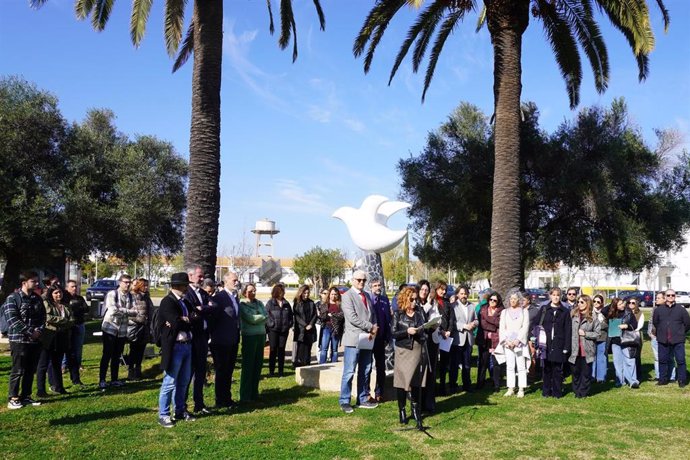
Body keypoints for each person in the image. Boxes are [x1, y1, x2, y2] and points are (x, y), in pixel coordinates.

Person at [157, 272, 195, 428]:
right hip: (175, 347)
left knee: (184, 381)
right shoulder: (168, 302)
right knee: (170, 381)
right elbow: (176, 323)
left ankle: (179, 410)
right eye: (185, 285)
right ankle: (163, 414)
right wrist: (183, 320)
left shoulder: (185, 301)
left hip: (187, 344)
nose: (187, 287)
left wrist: (186, 319)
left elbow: (195, 317)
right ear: (177, 286)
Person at [339, 270, 379, 414]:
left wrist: (374, 327)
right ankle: (344, 400)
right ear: (352, 280)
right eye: (358, 280)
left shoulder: (367, 295)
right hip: (353, 339)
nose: (361, 282)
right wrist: (371, 326)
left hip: (367, 338)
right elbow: (352, 318)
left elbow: (372, 314)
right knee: (349, 372)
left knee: (366, 370)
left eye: (363, 280)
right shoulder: (347, 296)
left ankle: (362, 398)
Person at [4, 271, 45, 409]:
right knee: (18, 370)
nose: (37, 283)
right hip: (19, 340)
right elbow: (13, 320)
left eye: (36, 281)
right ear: (24, 283)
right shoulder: (13, 298)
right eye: (33, 281)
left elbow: (43, 318)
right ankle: (13, 398)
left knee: (30, 370)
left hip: (35, 341)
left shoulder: (37, 299)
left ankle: (26, 395)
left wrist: (39, 331)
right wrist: (30, 332)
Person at [391, 286, 427, 430]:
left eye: (415, 299)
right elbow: (393, 333)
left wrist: (425, 330)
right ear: (405, 299)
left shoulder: (419, 314)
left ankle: (415, 410)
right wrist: (407, 331)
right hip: (403, 351)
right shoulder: (398, 314)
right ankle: (402, 409)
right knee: (402, 382)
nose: (414, 302)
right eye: (411, 299)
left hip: (417, 350)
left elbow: (423, 330)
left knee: (416, 382)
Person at [184, 265, 214, 414]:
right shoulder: (187, 293)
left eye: (202, 276)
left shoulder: (203, 292)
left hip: (203, 336)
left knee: (201, 371)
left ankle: (199, 403)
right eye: (199, 276)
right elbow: (192, 312)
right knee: (188, 372)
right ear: (190, 276)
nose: (202, 279)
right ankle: (182, 405)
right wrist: (201, 308)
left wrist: (203, 308)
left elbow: (213, 306)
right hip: (192, 337)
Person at [100, 274, 138, 389]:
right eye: (125, 282)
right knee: (107, 354)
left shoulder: (131, 296)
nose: (127, 284)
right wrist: (127, 311)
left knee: (117, 355)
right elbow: (112, 310)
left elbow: (136, 311)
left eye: (129, 282)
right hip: (110, 328)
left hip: (122, 330)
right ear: (119, 282)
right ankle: (102, 380)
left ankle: (114, 379)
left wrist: (122, 310)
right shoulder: (112, 294)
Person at [209, 272, 241, 408]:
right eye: (234, 280)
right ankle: (220, 399)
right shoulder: (219, 298)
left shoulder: (234, 297)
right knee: (221, 371)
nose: (236, 282)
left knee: (229, 370)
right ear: (226, 281)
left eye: (237, 280)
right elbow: (212, 319)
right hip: (221, 341)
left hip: (233, 340)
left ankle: (227, 398)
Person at [36, 285, 73, 396]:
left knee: (57, 363)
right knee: (43, 364)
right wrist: (62, 320)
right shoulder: (46, 304)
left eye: (60, 292)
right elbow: (47, 317)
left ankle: (59, 387)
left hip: (62, 337)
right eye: (56, 293)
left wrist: (63, 322)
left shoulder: (65, 306)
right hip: (48, 337)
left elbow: (72, 320)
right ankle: (41, 390)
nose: (58, 295)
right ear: (51, 294)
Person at [441, 285, 477, 393]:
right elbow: (452, 323)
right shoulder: (453, 306)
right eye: (461, 293)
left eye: (465, 293)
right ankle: (453, 385)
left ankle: (467, 384)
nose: (464, 295)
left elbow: (476, 319)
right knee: (454, 365)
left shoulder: (471, 306)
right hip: (457, 339)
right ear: (457, 294)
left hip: (468, 339)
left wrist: (474, 324)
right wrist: (464, 326)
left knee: (467, 364)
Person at [653, 289, 690, 387]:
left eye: (672, 295)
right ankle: (663, 379)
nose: (670, 297)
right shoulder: (658, 310)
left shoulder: (681, 309)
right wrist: (661, 331)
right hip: (663, 339)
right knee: (662, 360)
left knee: (681, 360)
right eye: (668, 295)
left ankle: (682, 380)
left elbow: (687, 324)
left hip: (678, 340)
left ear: (675, 297)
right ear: (665, 297)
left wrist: (680, 332)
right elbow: (655, 323)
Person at [539, 287, 572, 398]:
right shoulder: (544, 309)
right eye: (554, 295)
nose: (556, 297)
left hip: (559, 343)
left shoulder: (565, 311)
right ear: (550, 296)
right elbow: (536, 324)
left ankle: (557, 392)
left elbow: (568, 330)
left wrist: (566, 346)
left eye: (558, 295)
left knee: (557, 369)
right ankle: (546, 391)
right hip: (546, 344)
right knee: (547, 368)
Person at [497, 289, 530, 398]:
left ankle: (521, 388)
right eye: (511, 298)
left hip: (519, 343)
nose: (513, 300)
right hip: (508, 343)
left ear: (519, 300)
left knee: (521, 366)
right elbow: (501, 328)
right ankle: (510, 388)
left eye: (515, 298)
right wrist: (506, 341)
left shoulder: (524, 311)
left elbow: (525, 327)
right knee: (510, 366)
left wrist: (517, 340)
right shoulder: (504, 312)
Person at [239, 283, 267, 402]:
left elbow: (266, 315)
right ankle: (245, 395)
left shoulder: (259, 303)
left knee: (257, 365)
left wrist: (259, 316)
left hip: (261, 335)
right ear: (245, 292)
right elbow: (251, 319)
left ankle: (254, 393)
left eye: (254, 290)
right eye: (250, 291)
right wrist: (261, 316)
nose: (253, 293)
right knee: (248, 366)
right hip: (249, 336)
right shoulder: (242, 304)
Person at [569, 295, 601, 398]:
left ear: (588, 303)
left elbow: (598, 333)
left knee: (586, 373)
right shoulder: (573, 315)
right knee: (575, 372)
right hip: (574, 349)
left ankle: (583, 392)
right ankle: (576, 390)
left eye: (582, 302)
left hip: (587, 349)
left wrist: (586, 334)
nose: (579, 304)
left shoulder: (593, 317)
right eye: (578, 302)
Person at [368, 278, 392, 402]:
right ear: (371, 287)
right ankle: (366, 392)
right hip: (369, 338)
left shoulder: (384, 299)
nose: (378, 287)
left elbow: (388, 319)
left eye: (379, 285)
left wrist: (388, 336)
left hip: (381, 338)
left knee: (381, 367)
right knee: (367, 366)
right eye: (375, 285)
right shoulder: (368, 300)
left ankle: (379, 392)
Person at [608, 297, 640, 388]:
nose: (623, 305)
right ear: (615, 306)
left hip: (626, 340)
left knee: (630, 360)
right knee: (617, 363)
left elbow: (635, 325)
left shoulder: (628, 312)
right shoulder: (611, 314)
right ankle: (620, 381)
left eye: (623, 303)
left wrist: (626, 325)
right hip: (615, 341)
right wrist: (612, 304)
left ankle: (633, 381)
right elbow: (603, 310)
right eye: (620, 304)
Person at [477, 292, 504, 391]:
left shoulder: (502, 311)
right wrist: (494, 325)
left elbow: (500, 323)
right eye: (491, 300)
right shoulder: (483, 309)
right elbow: (482, 324)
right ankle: (480, 383)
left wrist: (490, 322)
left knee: (496, 363)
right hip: (484, 339)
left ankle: (496, 384)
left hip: (496, 340)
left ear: (498, 301)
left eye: (495, 300)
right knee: (483, 362)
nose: (492, 302)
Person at [127, 278, 153, 381]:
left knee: (141, 350)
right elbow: (128, 312)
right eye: (144, 285)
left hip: (145, 327)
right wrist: (139, 319)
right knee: (134, 349)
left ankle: (138, 370)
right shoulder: (132, 296)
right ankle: (131, 371)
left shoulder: (147, 297)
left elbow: (150, 311)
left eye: (147, 285)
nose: (146, 287)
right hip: (135, 326)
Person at [64, 279, 89, 386]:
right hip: (69, 326)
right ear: (67, 288)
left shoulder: (79, 298)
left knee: (78, 347)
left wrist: (78, 308)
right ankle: (64, 365)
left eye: (76, 286)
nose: (75, 288)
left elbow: (86, 309)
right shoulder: (65, 298)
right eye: (72, 286)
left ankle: (77, 365)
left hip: (79, 324)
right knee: (67, 348)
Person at [265, 283, 293, 376]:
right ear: (277, 292)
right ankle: (271, 371)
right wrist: (271, 324)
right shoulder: (270, 303)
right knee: (273, 350)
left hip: (284, 330)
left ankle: (281, 371)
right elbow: (266, 315)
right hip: (273, 330)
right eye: (282, 291)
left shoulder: (286, 303)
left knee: (281, 350)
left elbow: (290, 316)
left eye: (283, 291)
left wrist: (289, 324)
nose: (283, 293)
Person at [649, 292, 676, 382]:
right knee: (657, 357)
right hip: (656, 337)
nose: (656, 299)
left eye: (659, 298)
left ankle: (671, 376)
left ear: (665, 299)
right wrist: (651, 334)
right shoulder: (654, 309)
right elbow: (651, 322)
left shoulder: (672, 309)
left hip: (669, 337)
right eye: (656, 298)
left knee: (670, 357)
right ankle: (659, 375)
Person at [293, 285, 317, 367]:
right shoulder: (297, 302)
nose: (306, 295)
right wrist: (305, 325)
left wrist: (310, 324)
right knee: (301, 347)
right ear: (301, 293)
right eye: (304, 293)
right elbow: (297, 316)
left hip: (310, 329)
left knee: (308, 348)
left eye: (307, 293)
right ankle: (299, 364)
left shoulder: (311, 303)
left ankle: (307, 364)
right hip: (301, 329)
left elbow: (315, 315)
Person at [318, 287, 343, 364]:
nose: (333, 296)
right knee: (324, 348)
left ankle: (334, 365)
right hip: (326, 328)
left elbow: (341, 316)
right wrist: (332, 315)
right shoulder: (325, 304)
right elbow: (322, 316)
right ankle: (322, 365)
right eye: (332, 294)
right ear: (329, 294)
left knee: (334, 349)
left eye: (335, 294)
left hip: (336, 329)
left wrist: (331, 315)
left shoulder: (340, 305)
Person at [591, 294, 609, 383]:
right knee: (592, 357)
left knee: (602, 358)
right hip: (592, 338)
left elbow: (608, 324)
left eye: (598, 302)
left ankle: (601, 377)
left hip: (602, 338)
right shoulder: (589, 312)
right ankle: (592, 376)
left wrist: (598, 326)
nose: (596, 303)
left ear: (602, 303)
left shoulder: (605, 312)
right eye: (594, 301)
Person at [630, 299, 645, 380]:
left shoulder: (640, 313)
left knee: (636, 356)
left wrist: (630, 329)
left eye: (633, 303)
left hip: (636, 336)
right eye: (629, 302)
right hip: (625, 337)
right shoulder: (625, 312)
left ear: (636, 304)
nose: (631, 304)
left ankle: (638, 375)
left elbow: (640, 326)